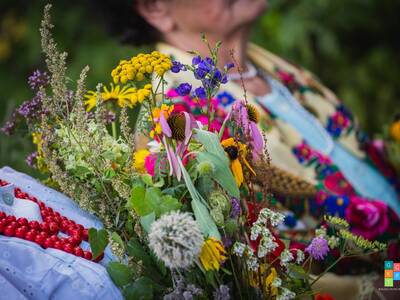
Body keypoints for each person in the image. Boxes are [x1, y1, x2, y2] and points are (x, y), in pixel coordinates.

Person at [96, 1, 400, 299]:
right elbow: (259, 266)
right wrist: (391, 283)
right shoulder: (175, 120)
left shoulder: (276, 70)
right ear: (155, 9)